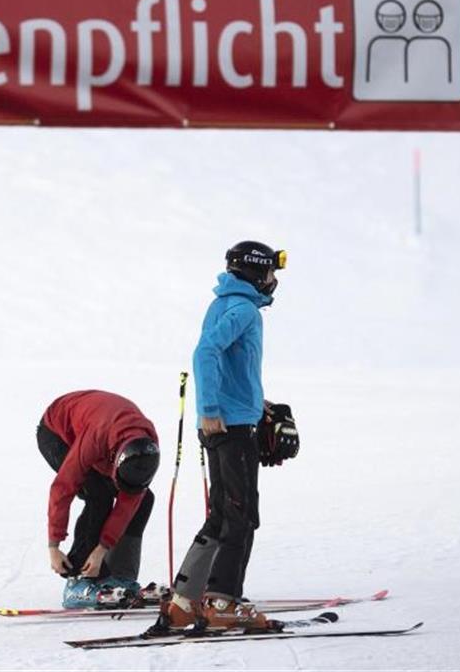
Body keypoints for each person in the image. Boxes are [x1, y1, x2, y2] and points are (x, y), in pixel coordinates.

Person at [150, 240, 287, 634]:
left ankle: (183, 603)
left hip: (229, 420)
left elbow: (231, 364)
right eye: (270, 272)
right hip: (230, 427)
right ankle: (224, 601)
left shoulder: (223, 304)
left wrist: (254, 401)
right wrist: (210, 409)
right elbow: (205, 352)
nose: (274, 281)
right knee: (241, 517)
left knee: (223, 514)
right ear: (254, 271)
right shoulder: (244, 310)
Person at [37, 390, 161, 608]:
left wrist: (102, 548)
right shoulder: (97, 436)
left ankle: (119, 576)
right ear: (116, 461)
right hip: (57, 431)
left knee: (143, 500)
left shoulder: (146, 448)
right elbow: (62, 488)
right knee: (99, 494)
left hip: (106, 434)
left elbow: (129, 502)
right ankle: (78, 581)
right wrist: (54, 546)